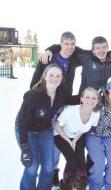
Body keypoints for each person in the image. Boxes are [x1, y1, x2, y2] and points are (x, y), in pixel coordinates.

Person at [33, 31, 80, 186]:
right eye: (66, 43)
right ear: (60, 44)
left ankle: (54, 171)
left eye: (73, 44)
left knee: (59, 140)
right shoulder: (49, 58)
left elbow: (92, 52)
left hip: (64, 105)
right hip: (48, 105)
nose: (70, 47)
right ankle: (48, 171)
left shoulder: (74, 57)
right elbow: (34, 83)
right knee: (48, 142)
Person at [15, 63, 65, 190]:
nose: (54, 78)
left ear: (62, 78)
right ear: (44, 76)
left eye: (58, 76)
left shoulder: (60, 95)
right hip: (26, 129)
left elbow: (75, 100)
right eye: (51, 75)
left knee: (48, 167)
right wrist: (25, 147)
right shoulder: (33, 96)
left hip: (44, 129)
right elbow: (22, 122)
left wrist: (91, 97)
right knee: (32, 165)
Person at [85, 71, 111, 190]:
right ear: (108, 88)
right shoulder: (98, 98)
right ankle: (96, 185)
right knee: (98, 164)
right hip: (94, 135)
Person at [54, 87, 100, 190]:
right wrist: (69, 141)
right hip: (61, 135)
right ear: (82, 99)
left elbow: (84, 129)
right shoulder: (70, 111)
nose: (90, 100)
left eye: (94, 98)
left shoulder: (96, 114)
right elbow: (57, 126)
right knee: (72, 160)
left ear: (97, 101)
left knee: (81, 162)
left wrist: (75, 140)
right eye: (87, 97)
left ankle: (80, 183)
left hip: (78, 136)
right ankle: (66, 183)